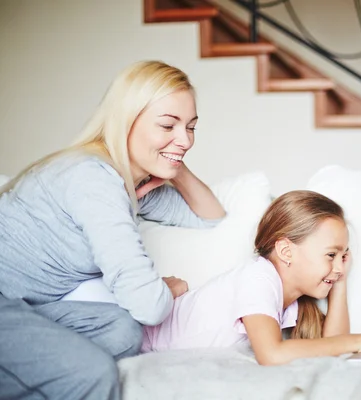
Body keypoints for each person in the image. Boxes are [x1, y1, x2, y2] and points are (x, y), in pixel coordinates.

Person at [0, 60, 225, 400]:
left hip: (24, 307)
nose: (185, 140)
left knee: (122, 331)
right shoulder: (92, 178)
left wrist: (177, 167)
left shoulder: (133, 187)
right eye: (168, 125)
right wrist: (163, 289)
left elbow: (211, 217)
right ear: (126, 122)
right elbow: (150, 306)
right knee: (91, 374)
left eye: (191, 127)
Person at [141, 190, 361, 365]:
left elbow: (333, 345)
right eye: (331, 255)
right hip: (136, 339)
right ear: (286, 250)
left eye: (343, 256)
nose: (338, 266)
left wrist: (340, 281)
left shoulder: (291, 302)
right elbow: (271, 354)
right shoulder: (258, 278)